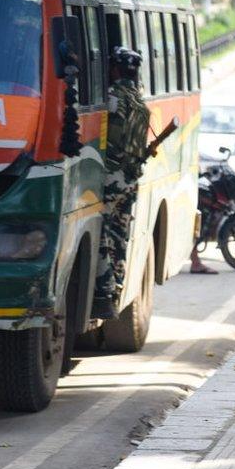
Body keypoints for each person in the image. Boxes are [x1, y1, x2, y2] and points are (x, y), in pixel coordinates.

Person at [91, 47, 151, 319]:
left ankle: (104, 291)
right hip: (130, 179)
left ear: (115, 69)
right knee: (120, 234)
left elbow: (112, 142)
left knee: (101, 229)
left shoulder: (115, 97)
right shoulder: (138, 98)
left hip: (113, 178)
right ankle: (116, 287)